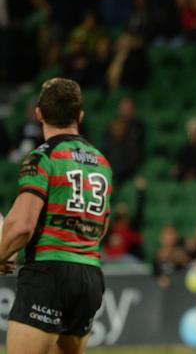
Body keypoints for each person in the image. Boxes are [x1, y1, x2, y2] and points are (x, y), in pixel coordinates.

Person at [0, 78, 112, 354]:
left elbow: (21, 226)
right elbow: (101, 226)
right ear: (80, 115)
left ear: (38, 113)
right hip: (89, 277)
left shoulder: (43, 157)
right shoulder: (101, 161)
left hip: (49, 274)